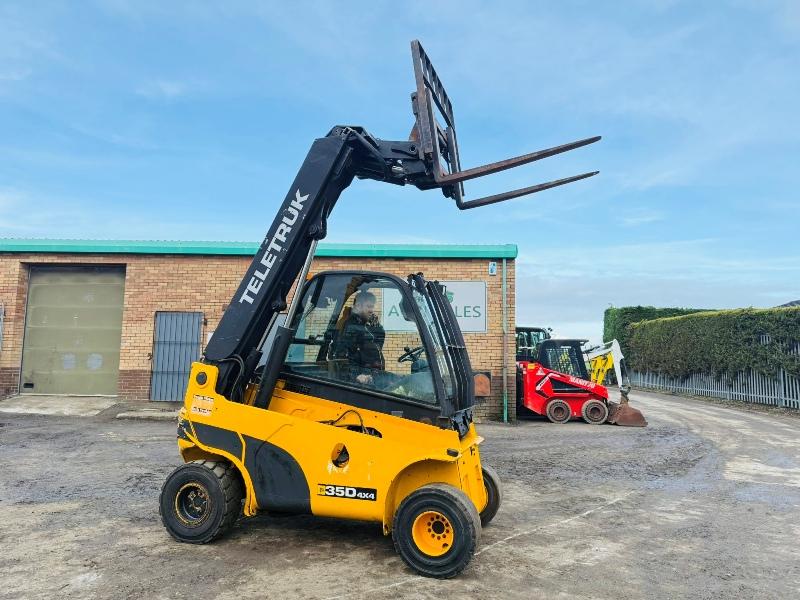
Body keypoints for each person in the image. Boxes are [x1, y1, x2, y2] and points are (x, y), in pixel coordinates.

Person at [333, 291, 386, 386]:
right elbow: (343, 357)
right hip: (361, 381)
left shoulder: (363, 325)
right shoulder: (352, 327)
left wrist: (378, 327)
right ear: (358, 306)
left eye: (372, 306)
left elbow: (377, 345)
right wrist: (356, 376)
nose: (371, 310)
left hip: (371, 375)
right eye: (369, 306)